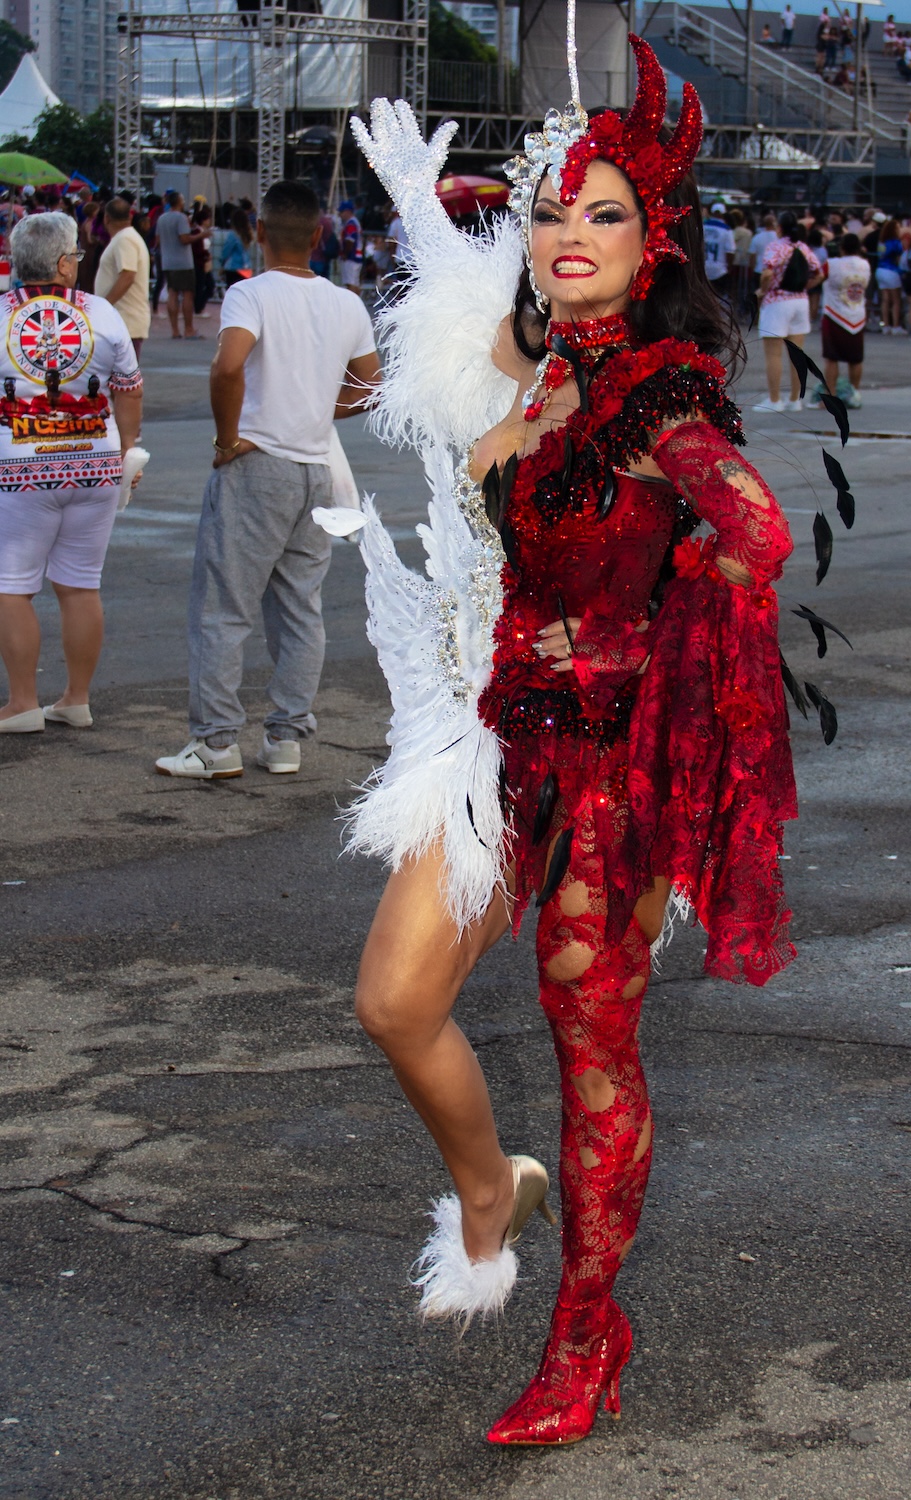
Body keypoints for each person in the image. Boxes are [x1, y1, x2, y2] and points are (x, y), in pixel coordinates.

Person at [348, 40, 801, 1447]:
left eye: (603, 214)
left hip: (609, 775)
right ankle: (492, 1188)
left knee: (590, 1046)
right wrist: (420, 210)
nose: (567, 235)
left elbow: (755, 535)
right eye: (550, 211)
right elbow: (452, 327)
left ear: (651, 238)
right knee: (393, 1001)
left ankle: (585, 1336)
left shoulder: (662, 393)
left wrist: (637, 671)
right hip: (496, 752)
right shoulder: (539, 366)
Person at [155, 181, 381, 781]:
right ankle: (285, 737)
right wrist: (314, 411)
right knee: (300, 610)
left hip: (257, 468)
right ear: (318, 236)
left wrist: (228, 439)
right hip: (316, 470)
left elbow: (228, 365)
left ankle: (215, 742)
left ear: (259, 231)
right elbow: (371, 389)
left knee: (223, 610)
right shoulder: (347, 304)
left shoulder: (249, 293)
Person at [0, 213, 143, 733]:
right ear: (62, 264)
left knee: (11, 586)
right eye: (77, 256)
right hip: (96, 464)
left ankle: (22, 703)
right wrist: (128, 452)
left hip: (20, 468)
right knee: (81, 585)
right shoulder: (101, 312)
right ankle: (75, 699)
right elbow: (129, 390)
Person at [753, 211, 822, 412]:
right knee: (797, 354)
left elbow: (767, 273)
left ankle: (774, 399)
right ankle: (795, 399)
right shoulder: (803, 248)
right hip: (800, 300)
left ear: (780, 227)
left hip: (777, 301)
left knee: (774, 355)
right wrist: (805, 286)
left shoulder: (775, 247)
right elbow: (818, 274)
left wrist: (762, 290)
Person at [816, 230, 869, 408]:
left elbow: (816, 278)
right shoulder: (865, 265)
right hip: (857, 315)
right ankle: (854, 393)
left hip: (835, 314)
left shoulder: (831, 264)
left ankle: (831, 396)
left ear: (842, 248)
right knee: (856, 359)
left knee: (832, 358)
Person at [93, 197, 151, 361]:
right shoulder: (125, 238)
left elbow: (128, 275)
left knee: (122, 374)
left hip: (126, 321)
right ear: (130, 216)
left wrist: (105, 305)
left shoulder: (125, 239)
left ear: (106, 218)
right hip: (121, 321)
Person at [155, 190, 203, 339]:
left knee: (172, 292)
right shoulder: (181, 218)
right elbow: (184, 239)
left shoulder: (162, 218)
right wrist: (202, 235)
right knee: (188, 294)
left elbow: (157, 240)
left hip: (167, 261)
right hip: (183, 262)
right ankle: (189, 329)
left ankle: (175, 330)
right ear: (179, 202)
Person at [876, 218, 904, 332]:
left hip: (880, 270)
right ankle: (896, 326)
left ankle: (885, 325)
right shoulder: (896, 242)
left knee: (885, 299)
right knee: (896, 300)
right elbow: (899, 257)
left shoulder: (882, 242)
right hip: (891, 270)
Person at [703, 200, 732, 298]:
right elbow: (730, 251)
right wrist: (729, 268)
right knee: (718, 298)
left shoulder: (703, 226)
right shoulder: (726, 230)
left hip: (703, 268)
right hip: (720, 270)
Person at [220, 207, 254, 291]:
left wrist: (222, 264)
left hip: (233, 268)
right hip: (246, 268)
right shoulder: (249, 234)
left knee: (233, 292)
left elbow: (226, 252)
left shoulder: (233, 234)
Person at [337, 199, 363, 292]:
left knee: (350, 284)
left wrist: (345, 254)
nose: (339, 214)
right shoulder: (354, 222)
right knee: (354, 283)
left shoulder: (351, 224)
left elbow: (350, 241)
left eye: (341, 212)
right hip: (355, 257)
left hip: (351, 258)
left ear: (347, 211)